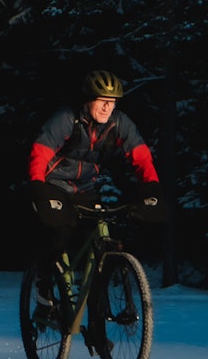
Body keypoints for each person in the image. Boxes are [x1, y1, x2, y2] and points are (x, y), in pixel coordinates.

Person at [27, 69, 163, 314]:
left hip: (86, 188)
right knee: (59, 231)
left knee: (102, 240)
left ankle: (96, 314)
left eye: (111, 103)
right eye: (102, 102)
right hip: (53, 186)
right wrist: (37, 185)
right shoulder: (67, 118)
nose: (106, 108)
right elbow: (41, 150)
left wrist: (151, 188)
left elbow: (141, 157)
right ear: (88, 101)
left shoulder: (119, 124)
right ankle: (44, 286)